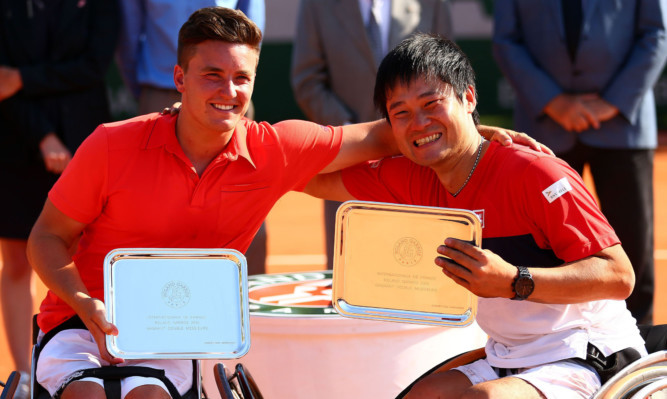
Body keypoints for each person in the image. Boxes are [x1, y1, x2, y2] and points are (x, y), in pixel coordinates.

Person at [25, 8, 537, 399]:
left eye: (242, 78)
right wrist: (86, 305)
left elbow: (384, 133)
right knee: (87, 394)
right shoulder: (111, 145)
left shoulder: (276, 149)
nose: (229, 91)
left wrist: (479, 130)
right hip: (77, 321)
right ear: (179, 79)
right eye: (212, 75)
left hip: (174, 335)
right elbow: (46, 238)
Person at [304, 33, 647, 398]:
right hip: (507, 355)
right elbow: (308, 175)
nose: (418, 121)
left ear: (468, 98)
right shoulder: (415, 175)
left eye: (431, 104)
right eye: (400, 113)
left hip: (588, 353)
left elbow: (617, 275)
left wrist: (515, 281)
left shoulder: (538, 173)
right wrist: (402, 136)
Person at [492, 0, 667, 325]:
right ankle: (551, 339)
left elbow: (656, 34)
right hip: (543, 127)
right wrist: (552, 102)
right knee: (542, 243)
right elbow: (506, 40)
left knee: (633, 245)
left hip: (622, 125)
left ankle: (638, 345)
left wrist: (613, 103)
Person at [0, 1, 120, 397]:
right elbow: (3, 80)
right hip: (15, 141)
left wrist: (25, 77)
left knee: (88, 256)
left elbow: (93, 64)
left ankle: (92, 365)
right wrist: (42, 136)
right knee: (16, 260)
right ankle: (25, 378)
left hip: (85, 138)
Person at [291, 0, 452, 269]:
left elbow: (447, 74)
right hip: (350, 162)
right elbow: (308, 80)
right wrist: (357, 139)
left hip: (418, 161)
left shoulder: (432, 3)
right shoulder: (316, 5)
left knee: (420, 272)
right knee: (351, 275)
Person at [116, 0, 268, 275]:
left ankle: (248, 306)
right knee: (152, 217)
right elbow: (127, 33)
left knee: (246, 205)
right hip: (161, 88)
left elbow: (252, 29)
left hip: (228, 95)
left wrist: (234, 81)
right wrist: (149, 89)